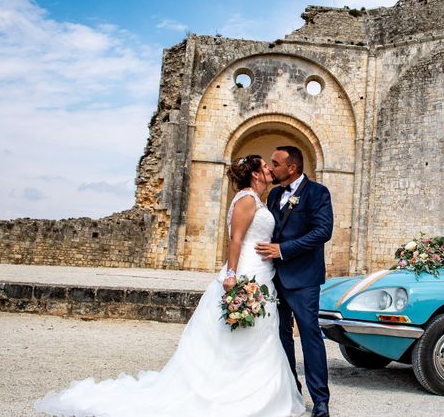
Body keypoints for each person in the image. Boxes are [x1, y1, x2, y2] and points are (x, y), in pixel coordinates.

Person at [34, 155, 304, 417]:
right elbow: (235, 240)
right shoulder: (247, 199)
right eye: (265, 166)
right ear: (255, 173)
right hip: (246, 271)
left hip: (262, 272)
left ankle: (258, 392)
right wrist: (231, 274)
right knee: (241, 333)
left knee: (261, 334)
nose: (270, 169)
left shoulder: (258, 199)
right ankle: (229, 392)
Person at [256, 146, 333, 417]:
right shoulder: (275, 194)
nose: (271, 168)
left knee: (310, 336)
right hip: (274, 278)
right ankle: (292, 391)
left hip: (303, 279)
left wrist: (283, 250)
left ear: (292, 168)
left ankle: (320, 400)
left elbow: (323, 231)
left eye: (275, 164)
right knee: (281, 336)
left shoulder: (318, 193)